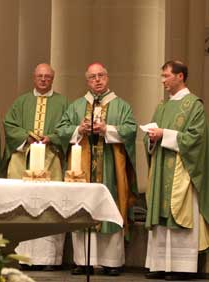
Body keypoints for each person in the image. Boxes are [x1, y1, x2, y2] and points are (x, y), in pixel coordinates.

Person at [55, 63, 137, 276]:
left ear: (107, 78)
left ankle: (112, 262)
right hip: (82, 168)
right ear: (87, 80)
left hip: (111, 167)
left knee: (109, 208)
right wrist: (78, 129)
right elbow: (62, 130)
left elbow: (130, 130)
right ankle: (83, 261)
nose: (97, 80)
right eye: (92, 77)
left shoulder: (121, 106)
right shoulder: (76, 106)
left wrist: (107, 129)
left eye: (101, 75)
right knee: (84, 209)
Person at [144, 60, 209, 281]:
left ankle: (182, 266)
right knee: (161, 216)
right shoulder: (162, 106)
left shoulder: (194, 105)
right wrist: (152, 137)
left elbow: (197, 139)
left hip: (182, 170)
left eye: (166, 76)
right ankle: (160, 264)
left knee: (179, 212)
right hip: (162, 167)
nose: (163, 81)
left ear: (180, 77)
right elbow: (153, 136)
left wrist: (165, 135)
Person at [4, 64, 68, 271]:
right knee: (23, 206)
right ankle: (23, 256)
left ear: (53, 78)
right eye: (40, 76)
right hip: (23, 159)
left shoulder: (62, 102)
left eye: (47, 77)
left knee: (49, 206)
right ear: (33, 77)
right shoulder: (21, 101)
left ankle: (49, 259)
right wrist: (26, 137)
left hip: (51, 159)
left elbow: (68, 128)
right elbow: (9, 125)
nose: (43, 80)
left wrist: (53, 138)